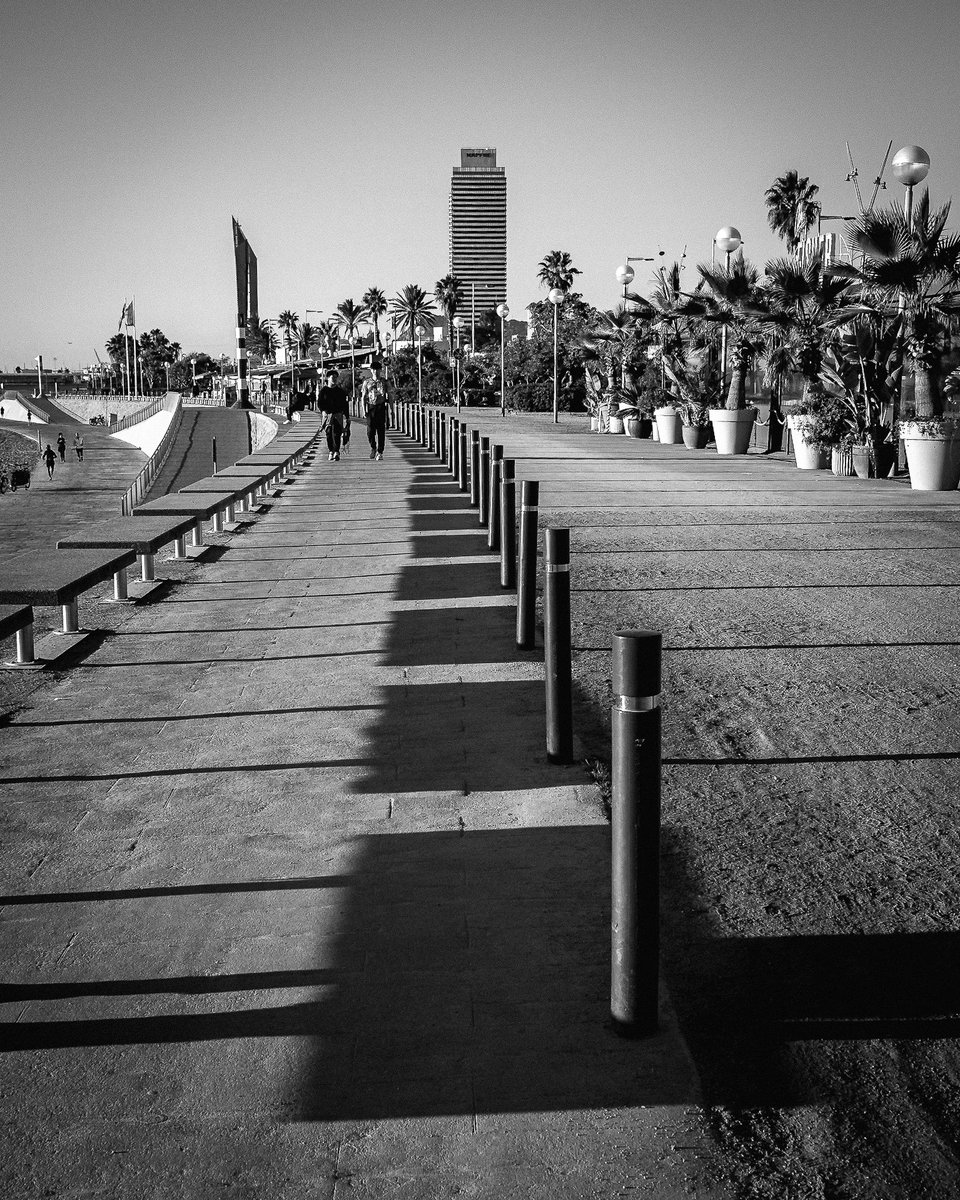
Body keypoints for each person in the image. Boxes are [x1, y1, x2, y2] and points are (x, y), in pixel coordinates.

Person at [361, 360, 393, 460]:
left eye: (377, 369)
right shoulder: (367, 382)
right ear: (371, 370)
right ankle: (373, 447)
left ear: (380, 370)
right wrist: (363, 409)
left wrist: (392, 410)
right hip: (371, 407)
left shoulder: (385, 381)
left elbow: (390, 395)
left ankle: (380, 451)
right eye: (373, 369)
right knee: (370, 431)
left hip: (381, 406)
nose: (375, 371)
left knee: (381, 430)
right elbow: (363, 397)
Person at [317, 369, 350, 461]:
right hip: (327, 416)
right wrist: (323, 411)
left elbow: (345, 404)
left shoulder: (340, 391)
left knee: (337, 433)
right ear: (328, 378)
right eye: (332, 377)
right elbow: (319, 403)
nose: (334, 379)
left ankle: (336, 451)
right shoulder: (323, 391)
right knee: (328, 433)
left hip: (338, 415)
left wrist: (347, 417)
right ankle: (331, 450)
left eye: (336, 377)